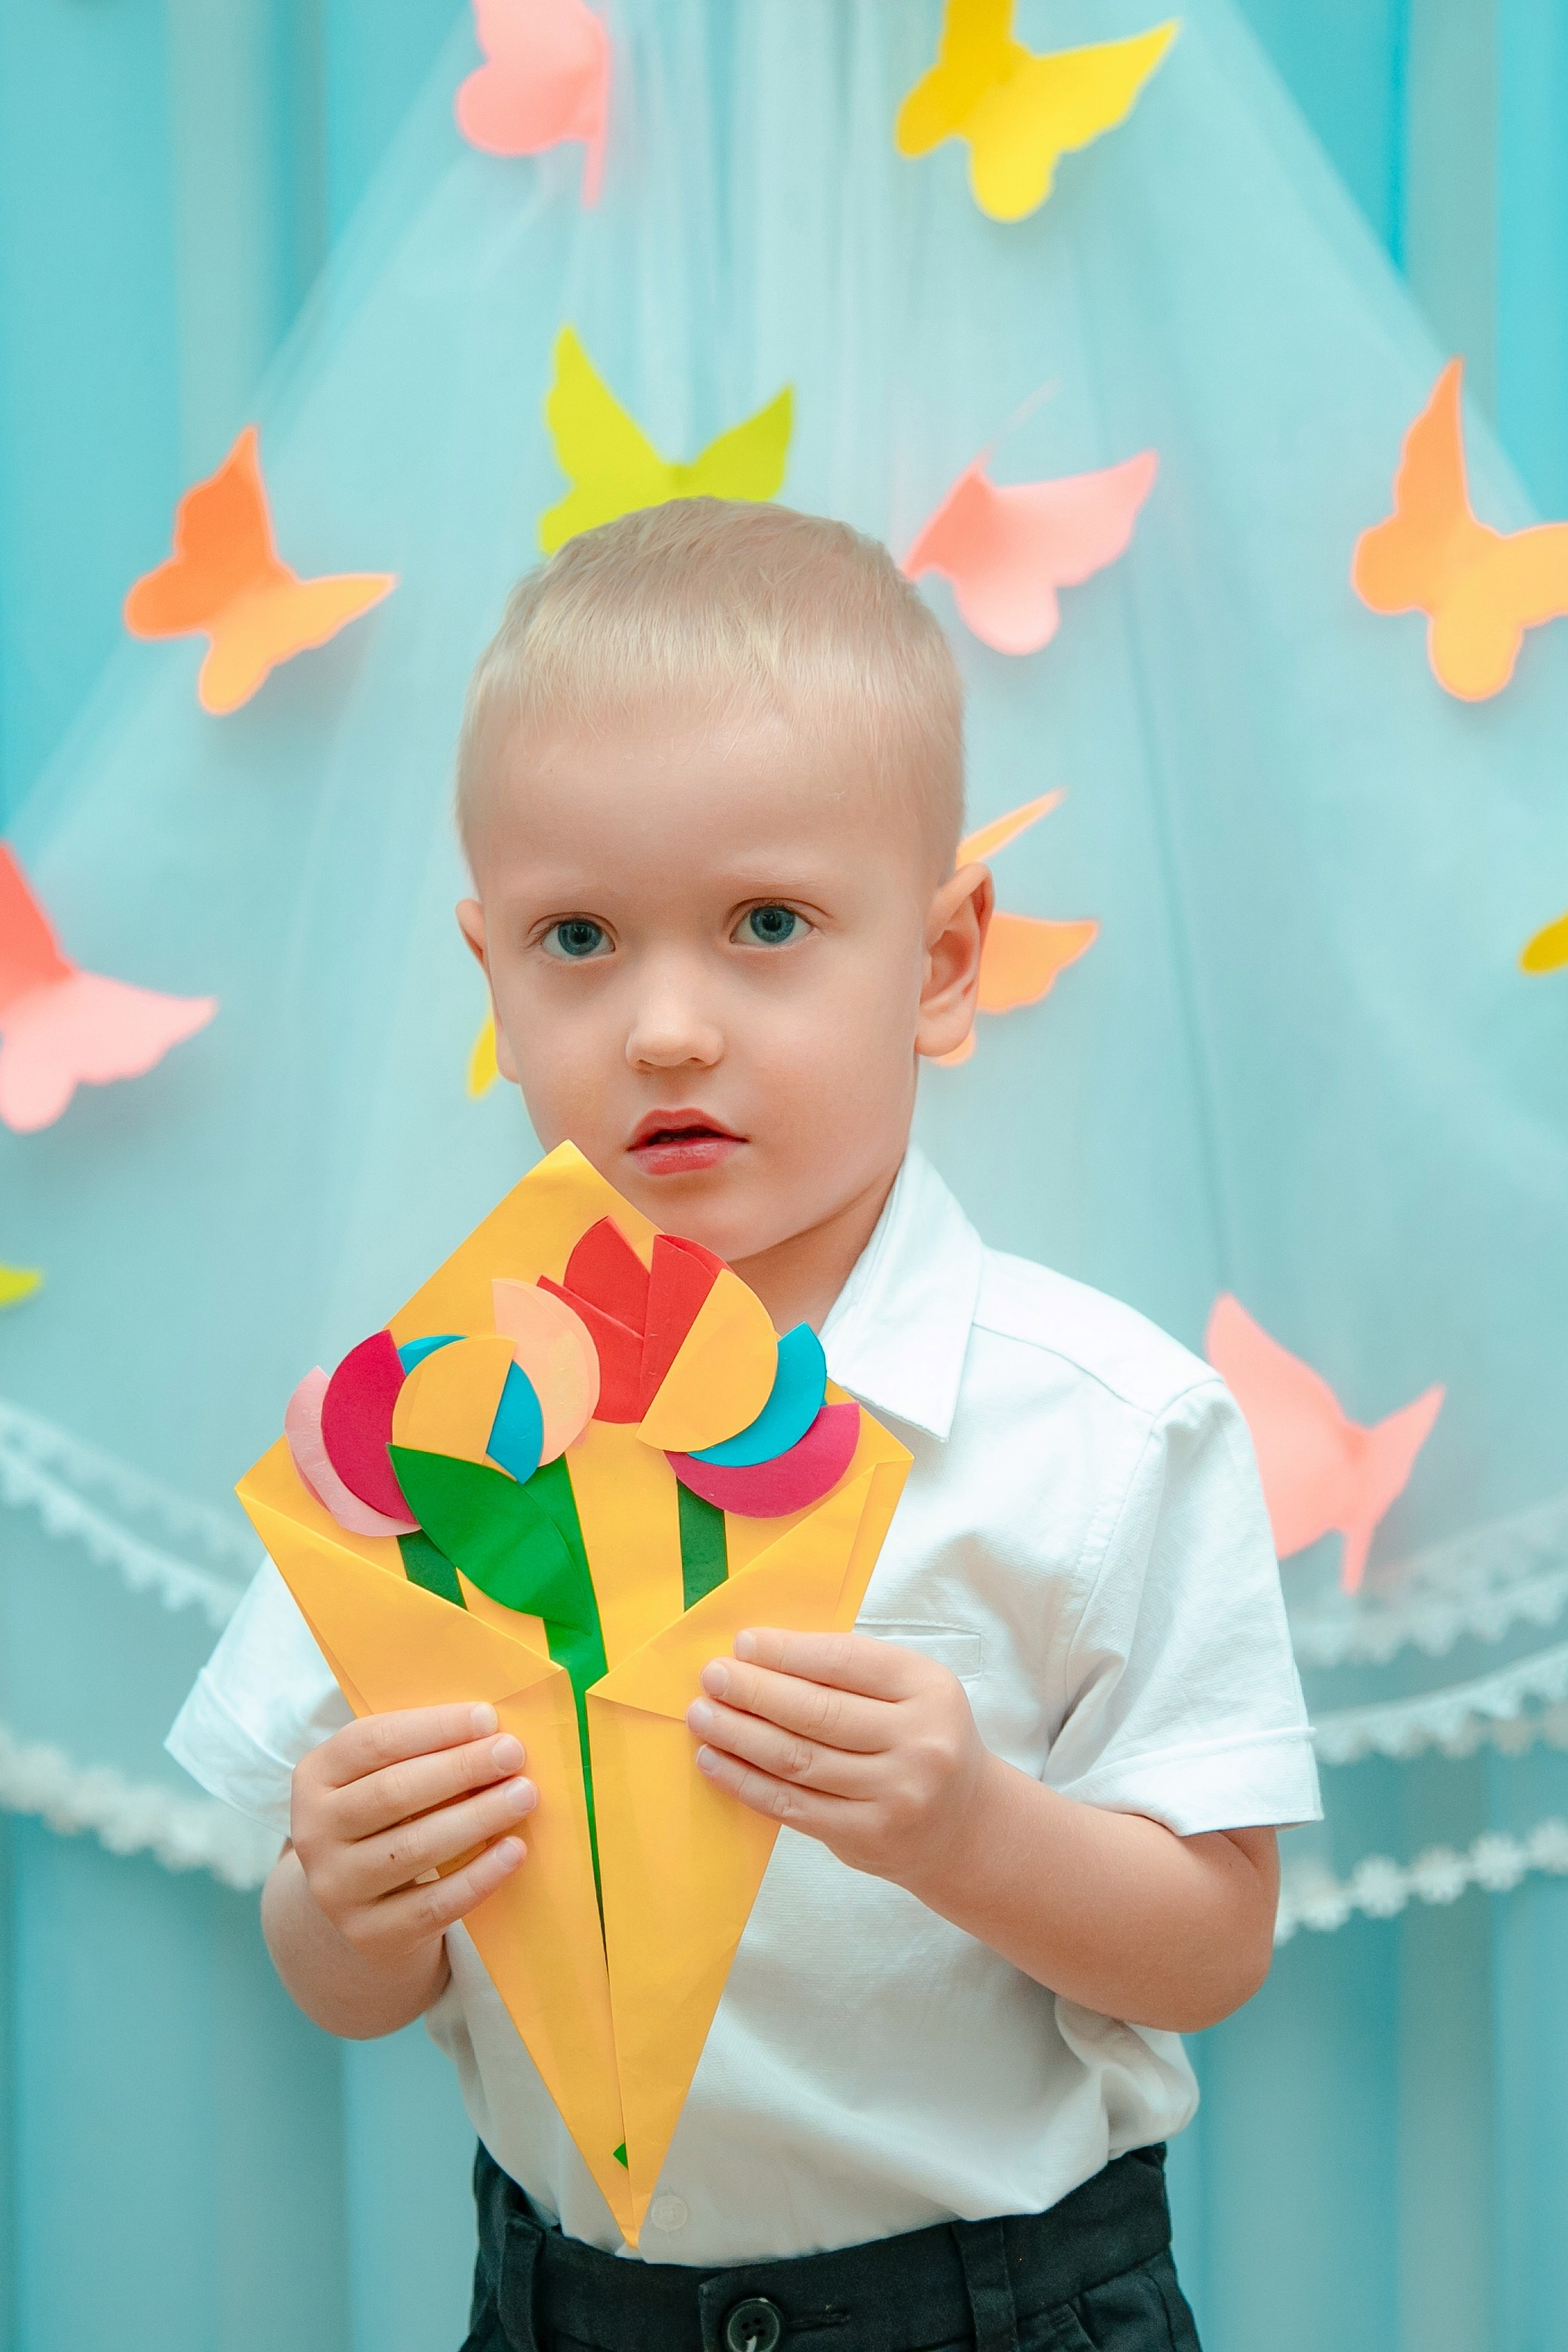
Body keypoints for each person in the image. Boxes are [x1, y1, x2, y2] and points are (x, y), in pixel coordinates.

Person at [169, 498, 1319, 2352]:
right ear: (491, 976)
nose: (668, 1028)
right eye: (578, 938)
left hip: (996, 2304)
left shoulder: (1100, 1428)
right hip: (563, 2305)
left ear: (942, 961)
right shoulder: (423, 1437)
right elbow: (339, 1980)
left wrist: (964, 1827)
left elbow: (1214, 1940)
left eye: (765, 924)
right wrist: (350, 1899)